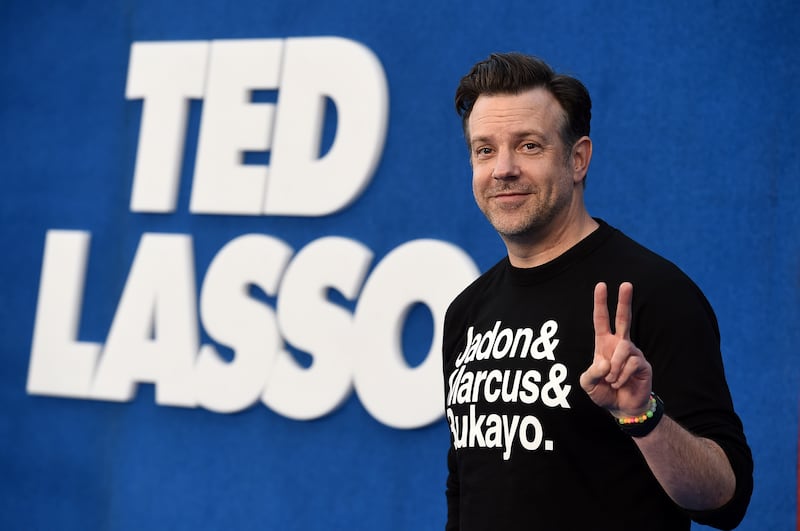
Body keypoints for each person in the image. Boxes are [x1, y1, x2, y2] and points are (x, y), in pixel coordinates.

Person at [442, 53, 753, 531]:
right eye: (485, 150)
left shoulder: (653, 292)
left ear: (578, 159)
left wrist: (642, 416)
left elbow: (724, 499)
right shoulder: (466, 312)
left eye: (528, 145)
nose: (503, 169)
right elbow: (464, 491)